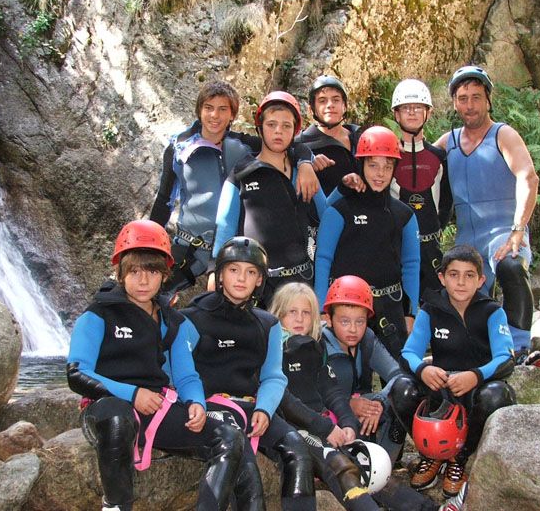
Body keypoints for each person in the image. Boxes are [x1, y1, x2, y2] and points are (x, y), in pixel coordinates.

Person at [66, 219, 264, 511]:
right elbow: (77, 374)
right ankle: (116, 506)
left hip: (156, 407)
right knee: (119, 418)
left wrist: (196, 403)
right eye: (134, 271)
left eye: (152, 272)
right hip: (106, 406)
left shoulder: (172, 322)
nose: (143, 281)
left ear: (164, 275)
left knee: (229, 437)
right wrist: (133, 394)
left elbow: (186, 376)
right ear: (120, 273)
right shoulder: (98, 315)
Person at [181, 237, 317, 511]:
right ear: (220, 275)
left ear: (259, 279)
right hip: (210, 409)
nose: (242, 278)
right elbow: (179, 373)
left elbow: (274, 377)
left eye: (250, 272)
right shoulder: (191, 317)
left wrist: (265, 409)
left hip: (251, 407)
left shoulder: (268, 324)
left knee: (298, 450)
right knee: (248, 477)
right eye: (234, 270)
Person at [148, 80, 320, 294]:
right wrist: (149, 245)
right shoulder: (179, 147)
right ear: (199, 110)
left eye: (223, 109)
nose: (215, 115)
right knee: (153, 289)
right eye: (208, 108)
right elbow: (164, 200)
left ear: (233, 115)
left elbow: (286, 143)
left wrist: (305, 162)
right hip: (190, 245)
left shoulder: (243, 145)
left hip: (234, 251)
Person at [321, 276, 464, 511]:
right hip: (331, 426)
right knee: (364, 472)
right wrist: (348, 404)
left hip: (363, 420)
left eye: (360, 321)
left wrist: (377, 401)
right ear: (329, 319)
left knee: (400, 394)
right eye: (344, 321)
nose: (353, 329)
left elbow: (397, 374)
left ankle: (387, 465)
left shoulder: (366, 340)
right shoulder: (318, 345)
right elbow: (307, 396)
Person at [435, 65, 540, 367]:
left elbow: (528, 177)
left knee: (511, 266)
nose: (469, 105)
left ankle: (519, 348)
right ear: (454, 103)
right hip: (467, 242)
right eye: (463, 98)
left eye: (476, 97)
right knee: (458, 296)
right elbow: (412, 165)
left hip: (504, 233)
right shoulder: (448, 142)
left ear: (488, 100)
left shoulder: (503, 135)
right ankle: (474, 350)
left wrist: (518, 229)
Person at [391, 245, 516, 499]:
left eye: (469, 275)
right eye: (453, 274)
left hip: (476, 388)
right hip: (441, 389)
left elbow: (506, 359)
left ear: (481, 280)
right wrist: (423, 369)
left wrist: (475, 375)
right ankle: (432, 454)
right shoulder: (430, 309)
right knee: (401, 388)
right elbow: (408, 354)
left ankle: (459, 458)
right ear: (442, 278)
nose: (461, 282)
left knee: (497, 395)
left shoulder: (492, 311)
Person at [269, 282, 380, 511]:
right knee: (341, 468)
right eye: (292, 312)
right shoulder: (273, 349)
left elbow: (332, 391)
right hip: (289, 428)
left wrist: (348, 423)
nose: (299, 319)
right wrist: (326, 428)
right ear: (278, 315)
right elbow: (284, 401)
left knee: (371, 467)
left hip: (321, 425)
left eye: (306, 313)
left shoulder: (315, 347)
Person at [315, 125, 421, 358]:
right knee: (348, 374)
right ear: (361, 164)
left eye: (387, 166)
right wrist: (322, 308)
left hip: (390, 306)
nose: (380, 173)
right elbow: (323, 259)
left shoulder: (404, 215)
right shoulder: (340, 210)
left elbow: (412, 265)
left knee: (399, 375)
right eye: (373, 165)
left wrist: (411, 313)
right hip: (347, 307)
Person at [213, 91, 326, 307]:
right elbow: (225, 225)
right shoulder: (241, 174)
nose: (278, 131)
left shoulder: (303, 173)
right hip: (255, 286)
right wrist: (215, 271)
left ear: (295, 131)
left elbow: (327, 216)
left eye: (286, 126)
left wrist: (344, 188)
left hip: (301, 283)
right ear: (260, 128)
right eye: (271, 124)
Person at [390, 79, 452, 298]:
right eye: (405, 108)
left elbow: (446, 203)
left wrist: (436, 230)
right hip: (396, 246)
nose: (412, 112)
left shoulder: (438, 156)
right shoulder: (388, 156)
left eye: (418, 107)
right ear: (396, 114)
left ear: (428, 112)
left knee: (435, 302)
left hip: (430, 246)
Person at [295, 75, 363, 196]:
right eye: (322, 101)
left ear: (344, 106)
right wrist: (305, 161)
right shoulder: (301, 143)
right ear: (311, 109)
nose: (330, 105)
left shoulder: (361, 137)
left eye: (336, 100)